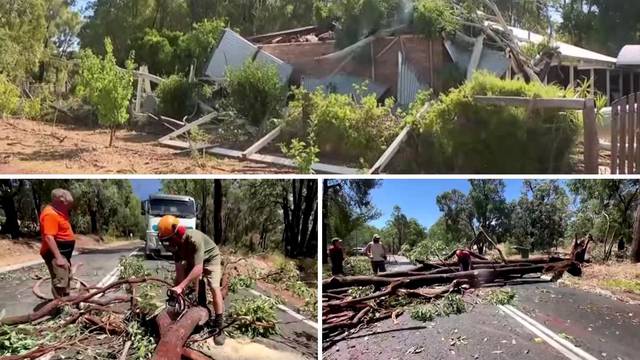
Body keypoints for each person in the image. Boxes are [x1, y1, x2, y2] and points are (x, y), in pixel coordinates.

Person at [157, 215, 225, 345]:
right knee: (185, 281)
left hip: (210, 258)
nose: (168, 244)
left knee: (214, 287)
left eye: (169, 240)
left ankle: (219, 325)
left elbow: (198, 269)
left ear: (178, 233)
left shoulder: (194, 239)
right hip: (194, 259)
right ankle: (196, 301)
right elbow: (179, 274)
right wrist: (177, 293)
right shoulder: (175, 247)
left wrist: (181, 286)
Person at [39, 188, 75, 298]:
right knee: (60, 282)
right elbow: (49, 238)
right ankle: (60, 307)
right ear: (59, 201)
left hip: (63, 253)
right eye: (67, 205)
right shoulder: (50, 214)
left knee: (65, 277)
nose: (68, 207)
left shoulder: (58, 213)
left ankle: (68, 302)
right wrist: (58, 257)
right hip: (55, 253)